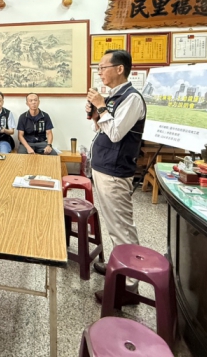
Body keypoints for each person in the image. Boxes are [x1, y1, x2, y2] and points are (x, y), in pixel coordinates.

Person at [86, 50, 146, 304]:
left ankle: (129, 287)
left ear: (119, 69)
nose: (99, 72)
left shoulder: (132, 98)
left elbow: (116, 134)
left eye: (103, 67)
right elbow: (102, 128)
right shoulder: (114, 96)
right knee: (113, 224)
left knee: (121, 227)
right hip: (103, 167)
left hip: (115, 170)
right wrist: (95, 114)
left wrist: (101, 106)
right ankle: (118, 265)